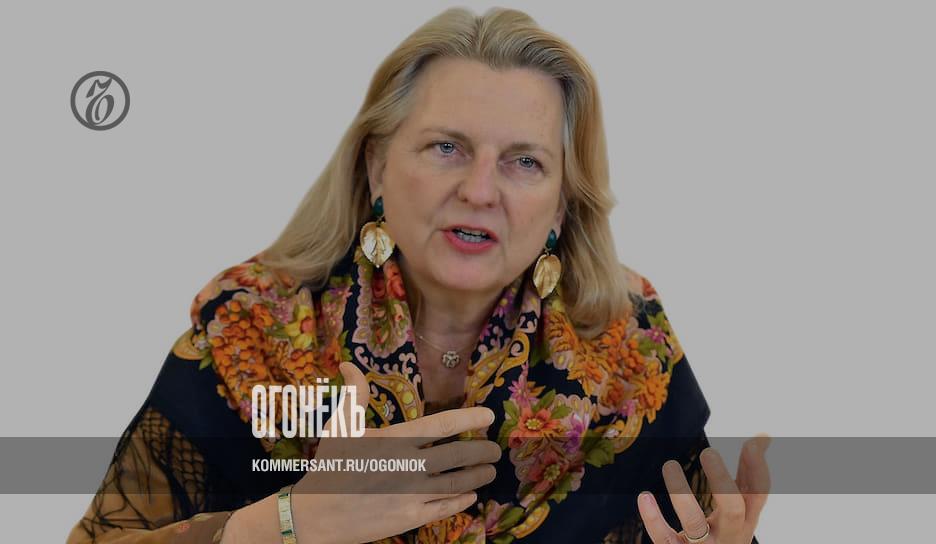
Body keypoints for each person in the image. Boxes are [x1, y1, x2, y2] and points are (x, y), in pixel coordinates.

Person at [68, 7, 771, 544]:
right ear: (377, 166)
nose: (479, 190)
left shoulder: (629, 349)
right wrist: (290, 523)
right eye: (446, 148)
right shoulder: (250, 330)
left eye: (525, 161)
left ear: (561, 205)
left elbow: (694, 529)